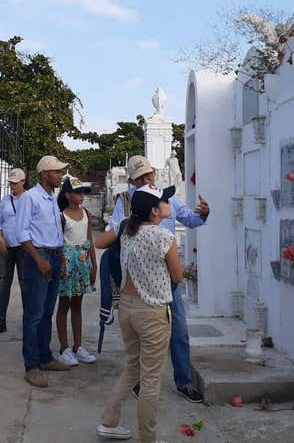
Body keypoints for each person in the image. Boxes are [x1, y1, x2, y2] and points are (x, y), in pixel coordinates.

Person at [110, 155, 209, 403]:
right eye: (141, 177)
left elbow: (190, 219)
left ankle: (183, 382)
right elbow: (116, 232)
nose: (148, 179)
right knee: (145, 333)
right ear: (132, 181)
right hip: (142, 277)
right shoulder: (126, 202)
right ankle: (140, 383)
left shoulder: (167, 198)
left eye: (149, 174)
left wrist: (204, 214)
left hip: (167, 277)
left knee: (179, 331)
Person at [97, 184, 183, 443]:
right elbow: (177, 275)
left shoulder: (127, 232)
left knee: (133, 368)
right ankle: (148, 438)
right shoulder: (163, 237)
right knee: (151, 379)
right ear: (155, 212)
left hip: (127, 307)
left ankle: (109, 420)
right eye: (165, 202)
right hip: (152, 312)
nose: (170, 204)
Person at [15, 155, 72, 388]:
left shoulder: (51, 198)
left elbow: (56, 232)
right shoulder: (30, 198)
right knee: (34, 314)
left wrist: (62, 260)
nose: (60, 175)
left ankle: (45, 357)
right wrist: (39, 260)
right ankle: (32, 366)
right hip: (38, 257)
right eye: (56, 172)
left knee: (48, 311)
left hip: (55, 256)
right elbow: (21, 233)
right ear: (44, 174)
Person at [55, 176, 98, 366]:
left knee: (77, 305)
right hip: (67, 263)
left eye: (83, 193)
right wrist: (61, 264)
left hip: (82, 262)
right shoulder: (61, 216)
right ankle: (64, 348)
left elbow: (89, 240)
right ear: (68, 195)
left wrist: (94, 264)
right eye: (78, 192)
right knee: (64, 305)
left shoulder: (86, 214)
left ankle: (78, 346)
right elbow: (58, 243)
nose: (82, 196)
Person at [0, 168, 28, 336]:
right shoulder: (5, 200)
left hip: (24, 248)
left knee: (26, 284)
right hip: (6, 246)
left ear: (23, 182)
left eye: (15, 183)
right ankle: (1, 319)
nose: (12, 186)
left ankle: (29, 320)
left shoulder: (29, 199)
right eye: (10, 183)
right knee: (4, 284)